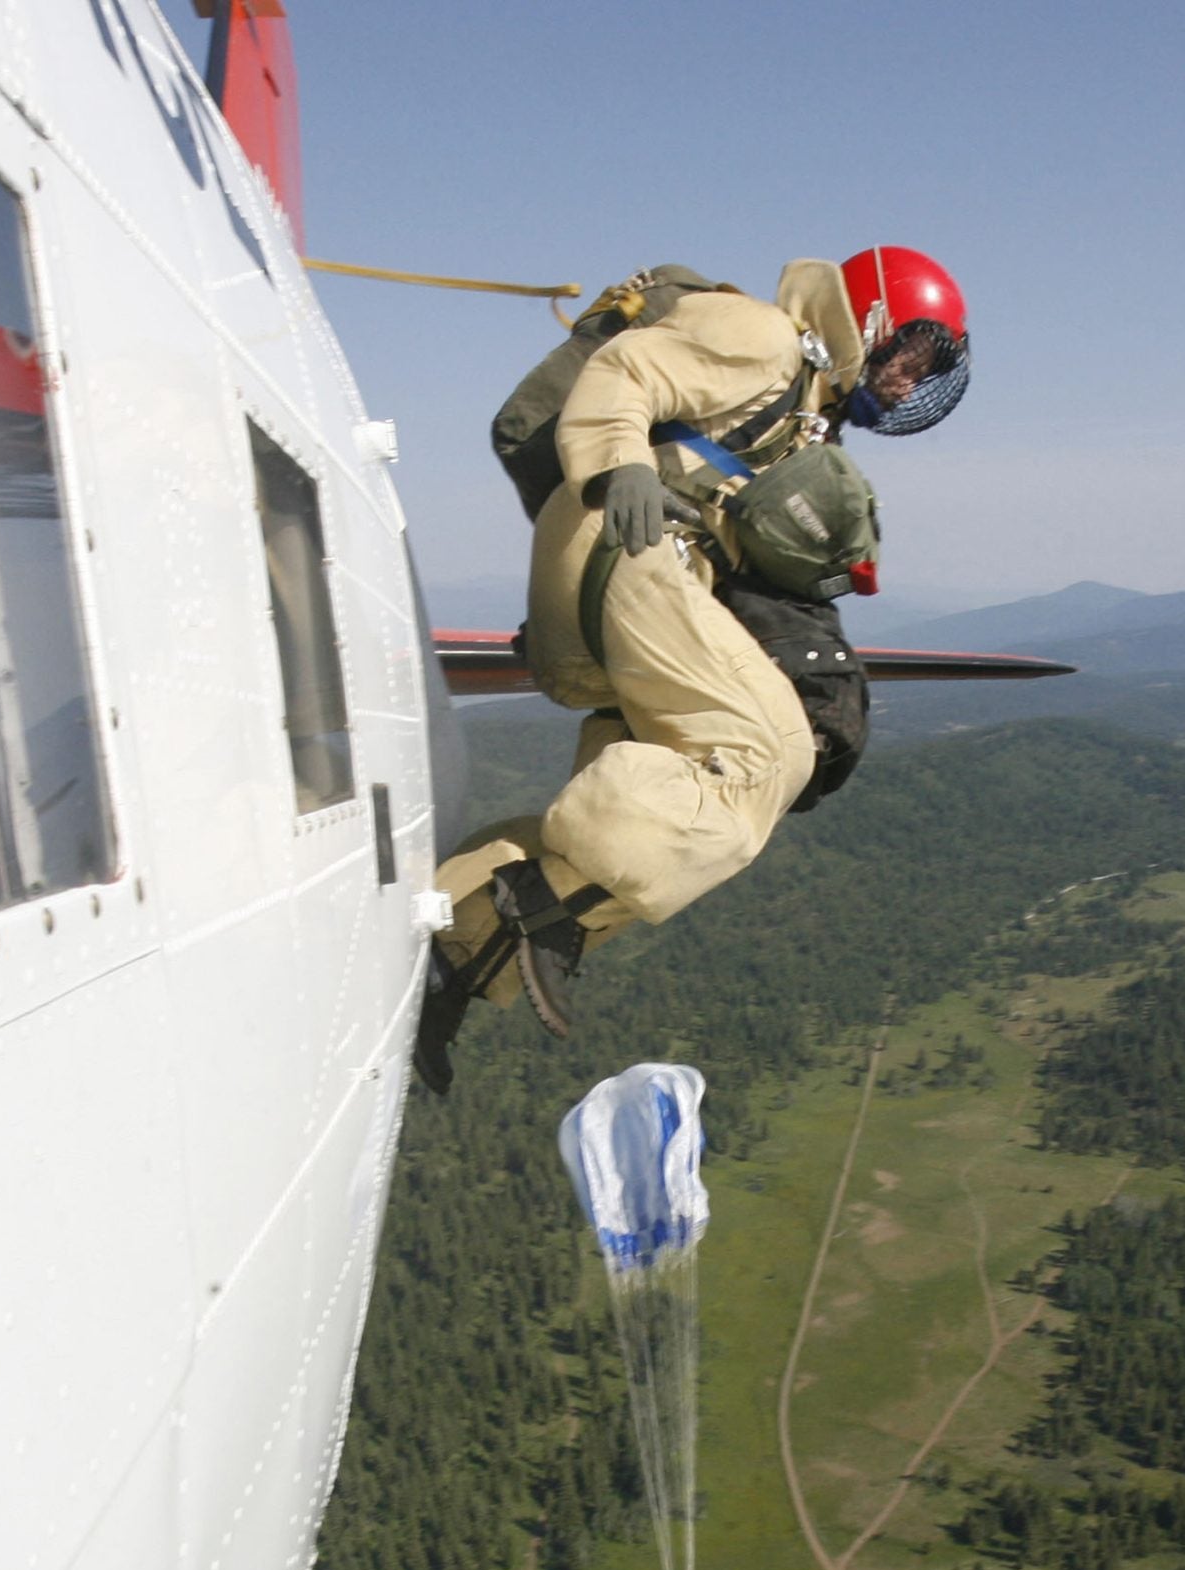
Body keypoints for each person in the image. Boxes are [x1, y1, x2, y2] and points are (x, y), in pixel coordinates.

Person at [415, 248, 970, 1093]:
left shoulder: (800, 414)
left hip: (633, 575)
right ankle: (526, 906)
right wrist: (620, 463)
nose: (904, 383)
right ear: (870, 319)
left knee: (696, 794)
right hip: (622, 545)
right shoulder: (762, 336)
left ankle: (451, 960)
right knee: (764, 756)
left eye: (924, 371)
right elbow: (628, 367)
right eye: (906, 355)